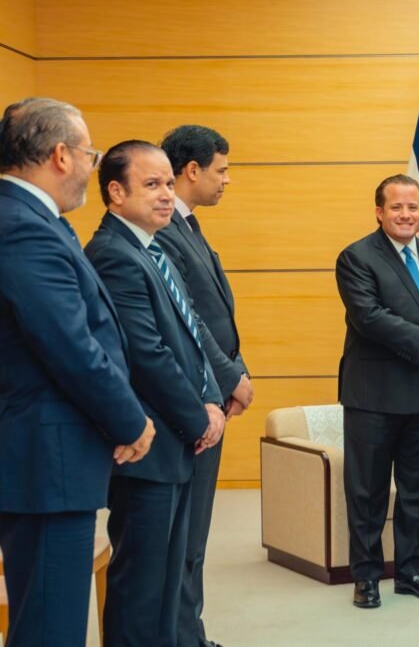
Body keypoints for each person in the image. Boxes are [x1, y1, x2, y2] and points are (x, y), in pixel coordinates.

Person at [0, 98, 155, 646]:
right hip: (47, 461)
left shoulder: (37, 221)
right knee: (51, 626)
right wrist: (129, 420)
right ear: (62, 155)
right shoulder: (23, 227)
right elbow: (69, 345)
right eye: (91, 154)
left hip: (50, 457)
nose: (93, 166)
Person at [84, 140, 226, 646]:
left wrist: (211, 398)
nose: (167, 194)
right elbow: (147, 355)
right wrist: (199, 417)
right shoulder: (113, 254)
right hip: (149, 444)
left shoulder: (151, 248)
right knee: (141, 587)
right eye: (152, 184)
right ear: (116, 192)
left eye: (168, 183)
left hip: (175, 439)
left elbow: (191, 333)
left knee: (167, 581)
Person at [335, 174, 419, 609]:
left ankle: (411, 572)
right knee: (367, 492)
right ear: (379, 212)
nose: (406, 215)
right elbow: (369, 318)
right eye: (396, 207)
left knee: (416, 490)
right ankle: (367, 576)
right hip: (372, 397)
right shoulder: (356, 257)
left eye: (413, 207)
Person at [158, 125, 252, 647]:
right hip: (190, 400)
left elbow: (216, 314)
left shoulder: (188, 226)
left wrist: (236, 369)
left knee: (194, 533)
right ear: (191, 170)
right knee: (181, 534)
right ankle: (180, 634)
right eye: (222, 170)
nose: (227, 180)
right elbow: (187, 318)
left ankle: (189, 631)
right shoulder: (165, 230)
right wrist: (230, 376)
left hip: (210, 392)